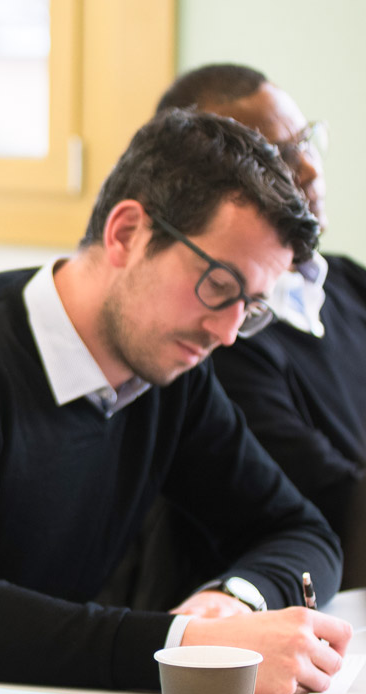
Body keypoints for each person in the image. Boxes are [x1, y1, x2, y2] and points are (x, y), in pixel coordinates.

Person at [0, 109, 352, 694]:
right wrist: (187, 647)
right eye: (218, 286)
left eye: (252, 307)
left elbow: (302, 530)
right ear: (125, 234)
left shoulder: (169, 372)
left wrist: (234, 600)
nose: (225, 331)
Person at [157, 65, 366, 586]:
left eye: (306, 142)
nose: (311, 171)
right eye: (278, 159)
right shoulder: (224, 339)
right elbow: (332, 503)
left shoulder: (348, 282)